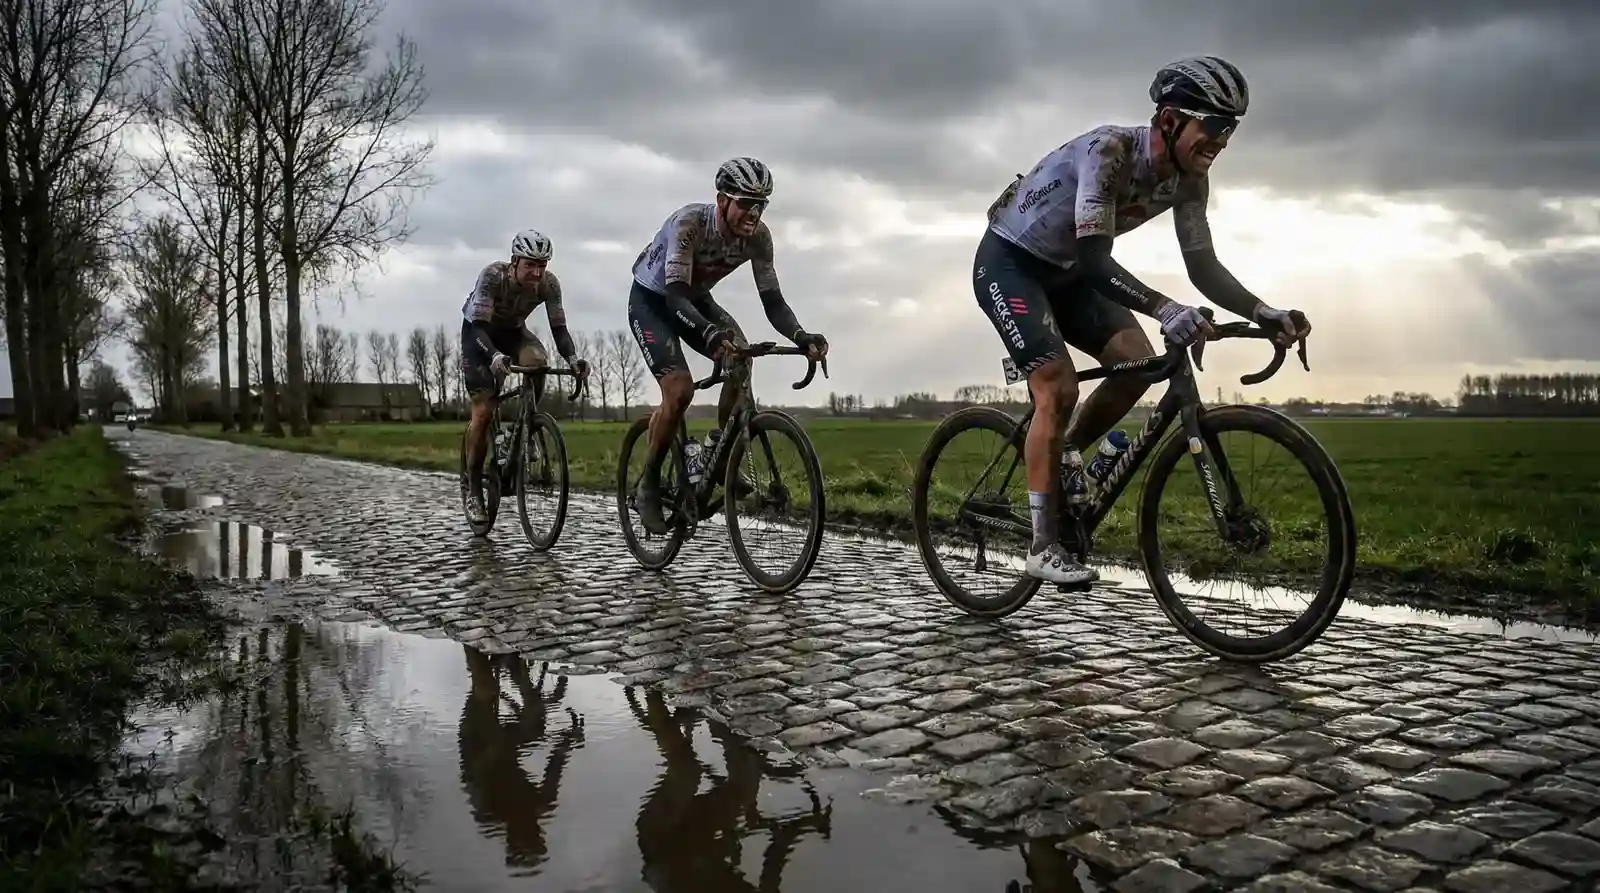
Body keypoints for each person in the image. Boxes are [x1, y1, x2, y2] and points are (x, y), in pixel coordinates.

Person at [975, 55, 1313, 586]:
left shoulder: (1190, 182)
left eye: (1232, 130)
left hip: (1066, 273)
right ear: (1172, 119)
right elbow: (1094, 259)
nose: (1222, 142)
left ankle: (1064, 455)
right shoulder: (1110, 152)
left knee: (1137, 365)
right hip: (1012, 263)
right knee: (1057, 388)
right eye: (1215, 126)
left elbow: (1202, 265)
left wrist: (1260, 310)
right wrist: (1164, 307)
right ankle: (1042, 546)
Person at [626, 156, 829, 535]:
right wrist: (708, 334)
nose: (754, 213)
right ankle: (648, 482)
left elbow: (773, 301)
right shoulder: (689, 224)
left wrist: (802, 336)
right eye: (746, 203)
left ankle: (721, 458)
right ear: (722, 201)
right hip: (656, 300)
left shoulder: (759, 237)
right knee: (679, 390)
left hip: (695, 297)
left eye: (761, 204)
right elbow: (674, 297)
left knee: (742, 356)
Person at [460, 229, 589, 524]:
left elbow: (559, 329)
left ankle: (525, 427)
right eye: (530, 264)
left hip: (513, 333)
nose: (536, 272)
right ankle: (473, 489)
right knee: (483, 411)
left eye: (542, 265)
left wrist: (572, 359)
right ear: (515, 261)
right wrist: (493, 356)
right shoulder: (492, 276)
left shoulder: (549, 285)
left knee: (537, 361)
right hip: (480, 335)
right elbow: (479, 327)